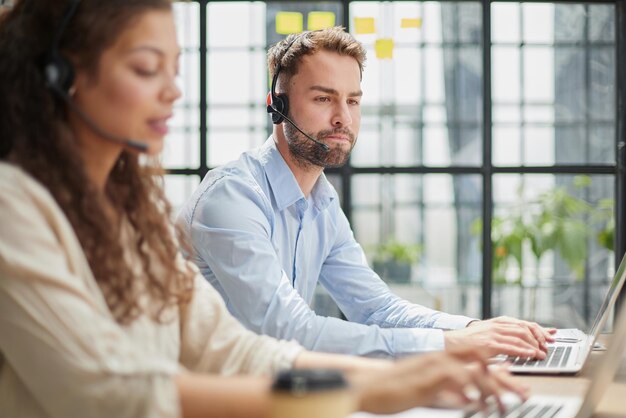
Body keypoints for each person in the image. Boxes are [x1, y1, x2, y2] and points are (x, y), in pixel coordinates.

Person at [0, 1, 527, 417]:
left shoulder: (129, 219)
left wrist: (429, 363)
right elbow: (114, 395)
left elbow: (238, 350)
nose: (174, 91)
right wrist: (370, 389)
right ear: (59, 76)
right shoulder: (13, 210)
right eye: (145, 68)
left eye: (176, 69)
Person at [177, 27, 556, 359]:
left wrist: (474, 329)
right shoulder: (233, 199)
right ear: (277, 106)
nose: (343, 117)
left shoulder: (321, 204)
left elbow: (376, 309)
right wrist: (451, 345)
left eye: (353, 100)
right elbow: (288, 330)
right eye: (324, 99)